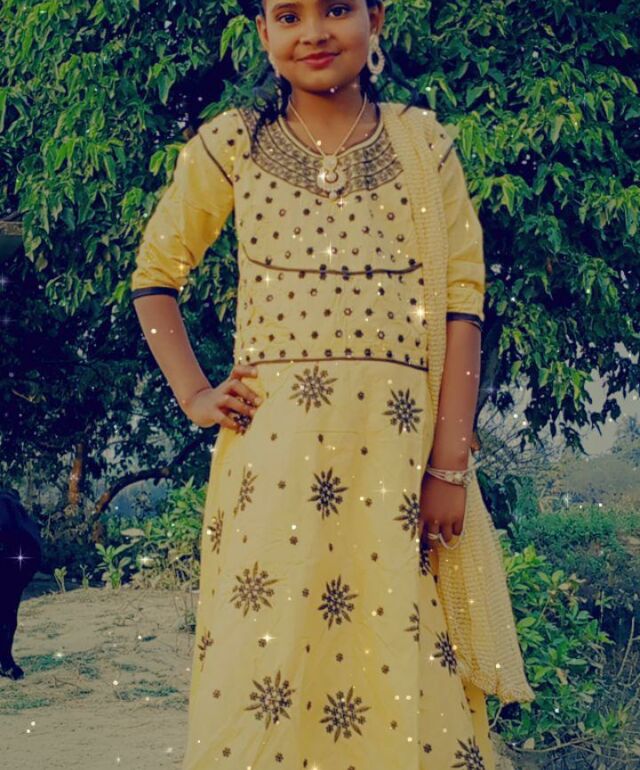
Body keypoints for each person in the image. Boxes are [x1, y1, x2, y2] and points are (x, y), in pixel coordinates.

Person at [130, 1, 534, 767]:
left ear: (376, 19)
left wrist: (448, 468)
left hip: (397, 465)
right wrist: (195, 395)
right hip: (273, 464)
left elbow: (462, 305)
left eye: (338, 9)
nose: (314, 32)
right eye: (289, 15)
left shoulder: (424, 143)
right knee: (268, 657)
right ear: (263, 33)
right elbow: (155, 276)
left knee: (401, 655)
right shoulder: (232, 143)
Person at [0, 488, 42, 680]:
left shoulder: (9, 509)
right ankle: (6, 661)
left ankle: (6, 661)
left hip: (13, 562)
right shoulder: (10, 507)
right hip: (15, 563)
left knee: (8, 613)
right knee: (8, 613)